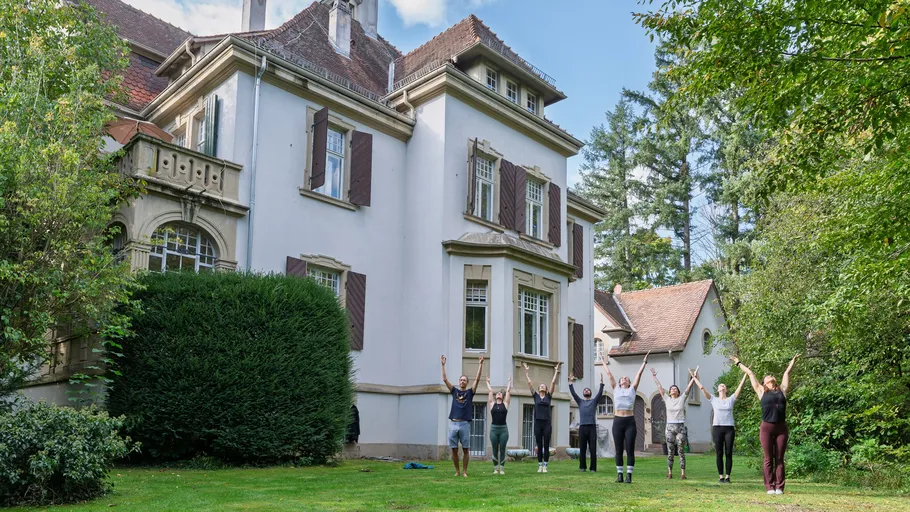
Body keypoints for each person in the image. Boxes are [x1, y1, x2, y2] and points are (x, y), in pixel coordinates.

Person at [733, 353, 800, 494]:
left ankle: (779, 487)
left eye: (771, 375)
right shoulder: (761, 391)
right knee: (768, 458)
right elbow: (750, 373)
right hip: (766, 428)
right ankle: (770, 487)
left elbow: (787, 372)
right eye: (767, 377)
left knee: (780, 458)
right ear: (764, 382)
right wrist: (738, 363)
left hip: (781, 428)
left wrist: (793, 361)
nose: (770, 376)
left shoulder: (782, 389)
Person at [690, 370, 748, 483]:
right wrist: (694, 377)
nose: (721, 386)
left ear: (725, 390)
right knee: (719, 452)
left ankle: (728, 477)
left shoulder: (730, 399)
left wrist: (746, 374)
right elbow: (702, 388)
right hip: (717, 428)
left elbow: (739, 387)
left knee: (728, 452)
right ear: (718, 390)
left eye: (723, 386)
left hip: (729, 428)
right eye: (720, 386)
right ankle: (721, 476)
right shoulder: (713, 399)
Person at [602, 351, 649, 483]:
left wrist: (644, 362)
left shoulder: (632, 389)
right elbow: (609, 374)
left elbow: (639, 375)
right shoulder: (615, 388)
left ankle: (629, 475)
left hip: (629, 421)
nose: (624, 379)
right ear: (619, 382)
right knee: (618, 449)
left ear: (628, 382)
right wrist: (602, 360)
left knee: (629, 448)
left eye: (626, 378)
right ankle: (619, 475)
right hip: (618, 421)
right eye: (622, 378)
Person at [650, 367, 698, 479]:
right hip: (670, 428)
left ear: (678, 391)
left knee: (681, 450)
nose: (673, 389)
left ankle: (683, 474)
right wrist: (654, 377)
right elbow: (660, 388)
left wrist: (693, 377)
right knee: (670, 451)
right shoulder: (667, 399)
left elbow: (689, 388)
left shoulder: (682, 399)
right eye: (671, 388)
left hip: (680, 427)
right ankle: (670, 473)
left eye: (675, 388)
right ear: (670, 392)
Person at [441, 354, 484, 478]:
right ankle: (457, 471)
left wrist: (480, 364)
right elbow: (444, 380)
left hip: (464, 423)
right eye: (461, 380)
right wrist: (443, 365)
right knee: (454, 449)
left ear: (467, 382)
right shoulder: (455, 391)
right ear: (459, 382)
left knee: (465, 449)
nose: (462, 381)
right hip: (453, 423)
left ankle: (464, 471)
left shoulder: (470, 393)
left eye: (464, 380)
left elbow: (477, 379)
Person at [522, 361, 560, 473]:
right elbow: (529, 384)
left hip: (547, 423)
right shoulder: (536, 396)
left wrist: (556, 371)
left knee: (546, 444)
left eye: (544, 386)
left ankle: (546, 466)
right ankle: (539, 465)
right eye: (541, 386)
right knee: (539, 444)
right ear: (539, 389)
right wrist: (527, 373)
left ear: (546, 389)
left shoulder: (549, 396)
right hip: (538, 423)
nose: (542, 386)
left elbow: (553, 383)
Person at [568, 370, 604, 472]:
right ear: (583, 393)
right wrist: (571, 383)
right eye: (585, 390)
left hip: (592, 427)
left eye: (588, 390)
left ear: (590, 393)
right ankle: (582, 467)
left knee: (593, 449)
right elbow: (573, 394)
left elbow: (600, 393)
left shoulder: (594, 401)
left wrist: (601, 382)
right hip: (582, 427)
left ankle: (593, 468)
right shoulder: (580, 401)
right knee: (582, 448)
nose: (587, 391)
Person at [486, 374, 512, 475]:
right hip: (494, 429)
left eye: (501, 394)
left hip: (503, 429)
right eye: (497, 394)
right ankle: (495, 468)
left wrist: (509, 381)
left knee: (502, 448)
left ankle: (502, 468)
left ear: (502, 396)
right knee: (494, 448)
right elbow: (490, 391)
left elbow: (508, 391)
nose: (499, 394)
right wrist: (488, 382)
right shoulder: (492, 404)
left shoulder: (505, 404)